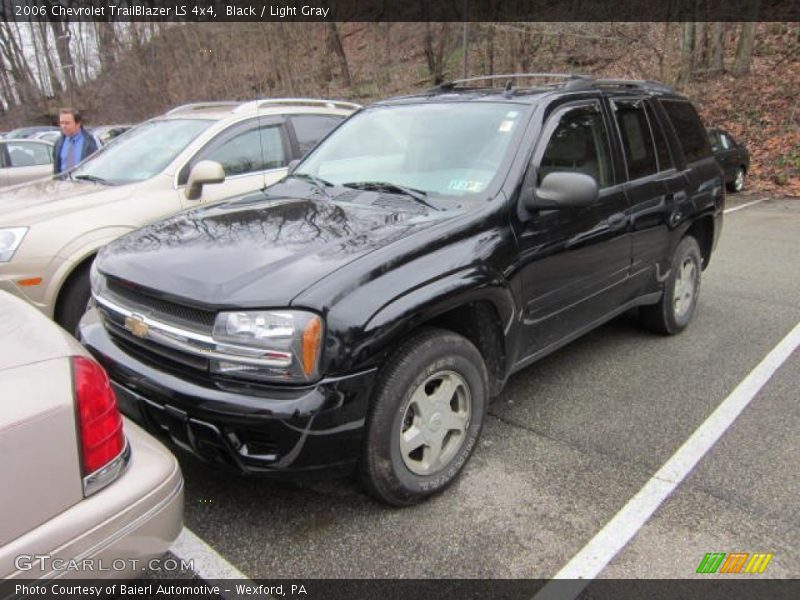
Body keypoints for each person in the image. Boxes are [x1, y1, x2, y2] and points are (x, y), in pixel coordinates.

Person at [53, 108, 98, 174]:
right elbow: (56, 169)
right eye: (61, 123)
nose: (63, 126)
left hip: (82, 183)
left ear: (78, 124)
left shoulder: (89, 143)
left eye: (67, 123)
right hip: (62, 183)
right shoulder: (59, 143)